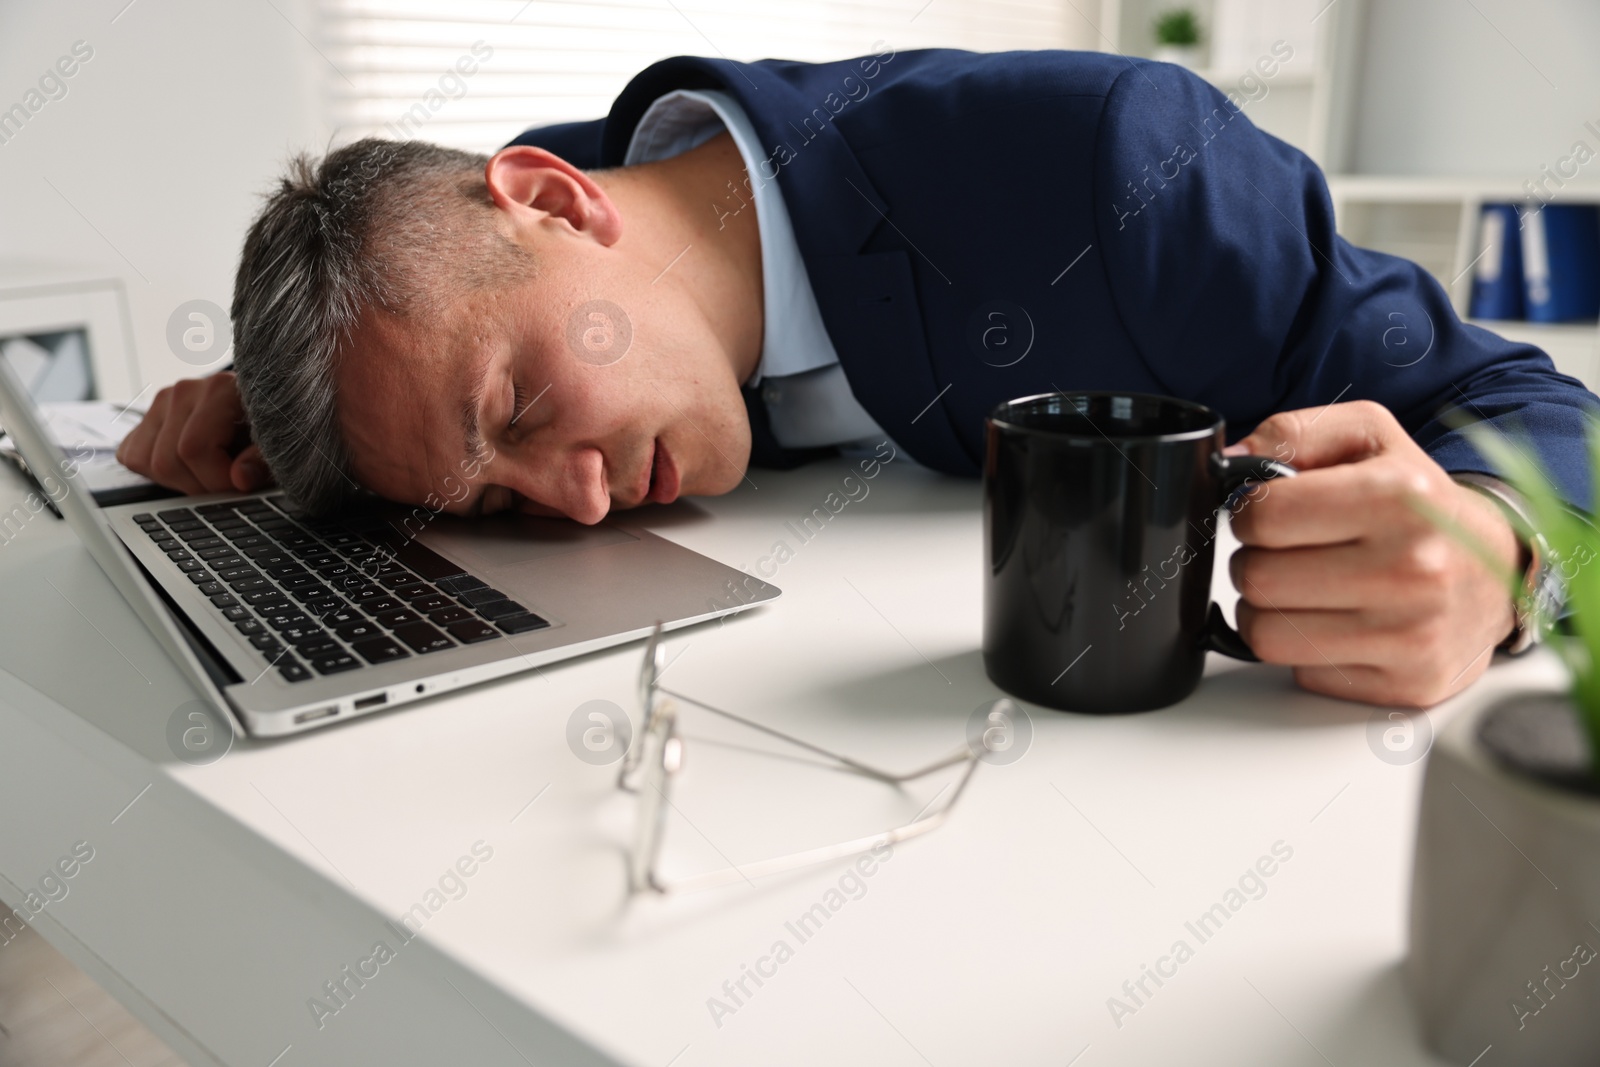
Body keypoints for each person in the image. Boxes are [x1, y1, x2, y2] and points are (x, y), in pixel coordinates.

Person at [117, 47, 1598, 708]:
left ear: (563, 201)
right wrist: (290, 400)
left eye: (517, 412)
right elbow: (413, 262)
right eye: (491, 499)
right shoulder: (520, 240)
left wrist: (1511, 555)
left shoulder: (1119, 169)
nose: (572, 504)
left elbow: (1535, 408)